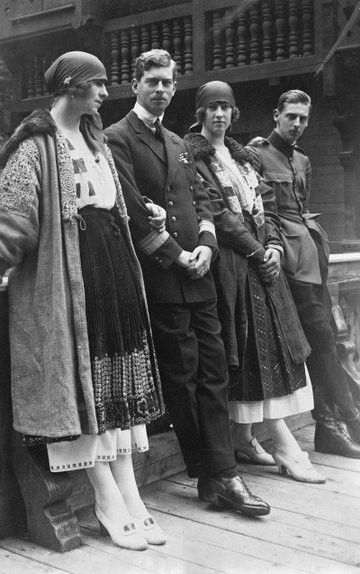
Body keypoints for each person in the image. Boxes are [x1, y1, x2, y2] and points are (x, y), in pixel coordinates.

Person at [0, 51, 168, 551]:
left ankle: (131, 494)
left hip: (113, 266)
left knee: (117, 382)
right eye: (97, 85)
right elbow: (13, 222)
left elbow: (114, 202)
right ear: (72, 85)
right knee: (86, 384)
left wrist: (147, 217)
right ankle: (105, 497)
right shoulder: (33, 146)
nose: (103, 94)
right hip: (70, 273)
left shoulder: (95, 139)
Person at [105, 49, 270, 517]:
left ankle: (219, 475)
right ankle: (217, 474)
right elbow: (133, 213)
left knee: (215, 372)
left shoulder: (180, 143)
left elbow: (201, 200)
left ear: (176, 88)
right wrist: (178, 256)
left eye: (168, 83)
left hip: (200, 276)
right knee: (183, 374)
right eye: (152, 81)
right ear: (135, 84)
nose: (160, 89)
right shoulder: (119, 139)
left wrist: (206, 245)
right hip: (162, 278)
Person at [185, 80, 324, 483]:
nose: (219, 115)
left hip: (264, 262)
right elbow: (218, 214)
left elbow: (269, 207)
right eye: (211, 108)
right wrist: (257, 251)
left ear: (234, 114)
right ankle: (283, 443)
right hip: (232, 263)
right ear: (201, 114)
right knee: (246, 347)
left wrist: (276, 248)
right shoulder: (195, 157)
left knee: (273, 347)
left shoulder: (247, 157)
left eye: (225, 108)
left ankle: (244, 438)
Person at [247, 89, 360, 458]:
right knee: (321, 340)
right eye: (290, 116)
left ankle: (332, 423)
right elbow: (265, 213)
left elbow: (301, 208)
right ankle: (342, 419)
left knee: (326, 337)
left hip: (311, 258)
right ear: (275, 114)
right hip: (284, 261)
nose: (297, 124)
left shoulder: (303, 160)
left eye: (303, 119)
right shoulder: (257, 154)